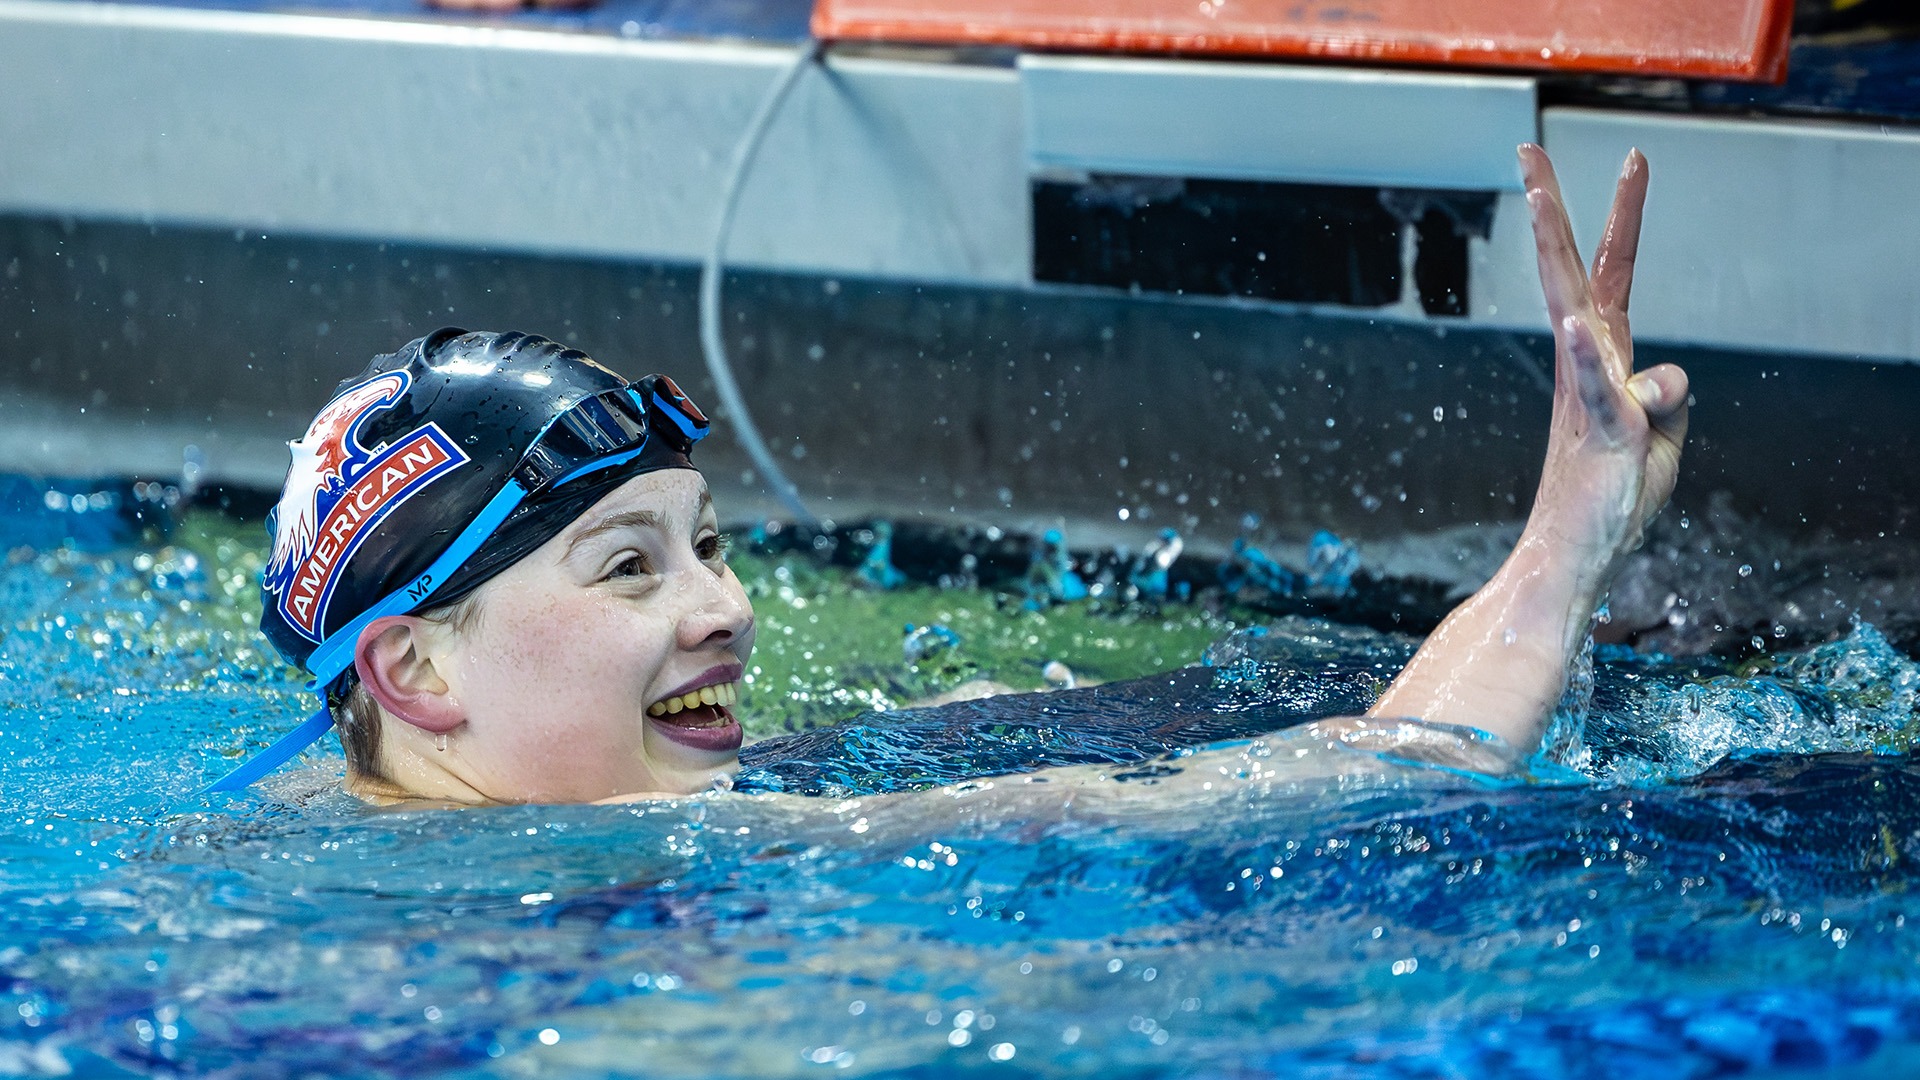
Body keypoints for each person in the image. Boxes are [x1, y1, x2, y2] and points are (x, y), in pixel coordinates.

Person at [211, 143, 1688, 805]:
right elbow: (1381, 784)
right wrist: (1565, 537)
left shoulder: (265, 836)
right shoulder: (791, 854)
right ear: (411, 674)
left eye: (709, 545)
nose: (727, 606)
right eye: (629, 565)